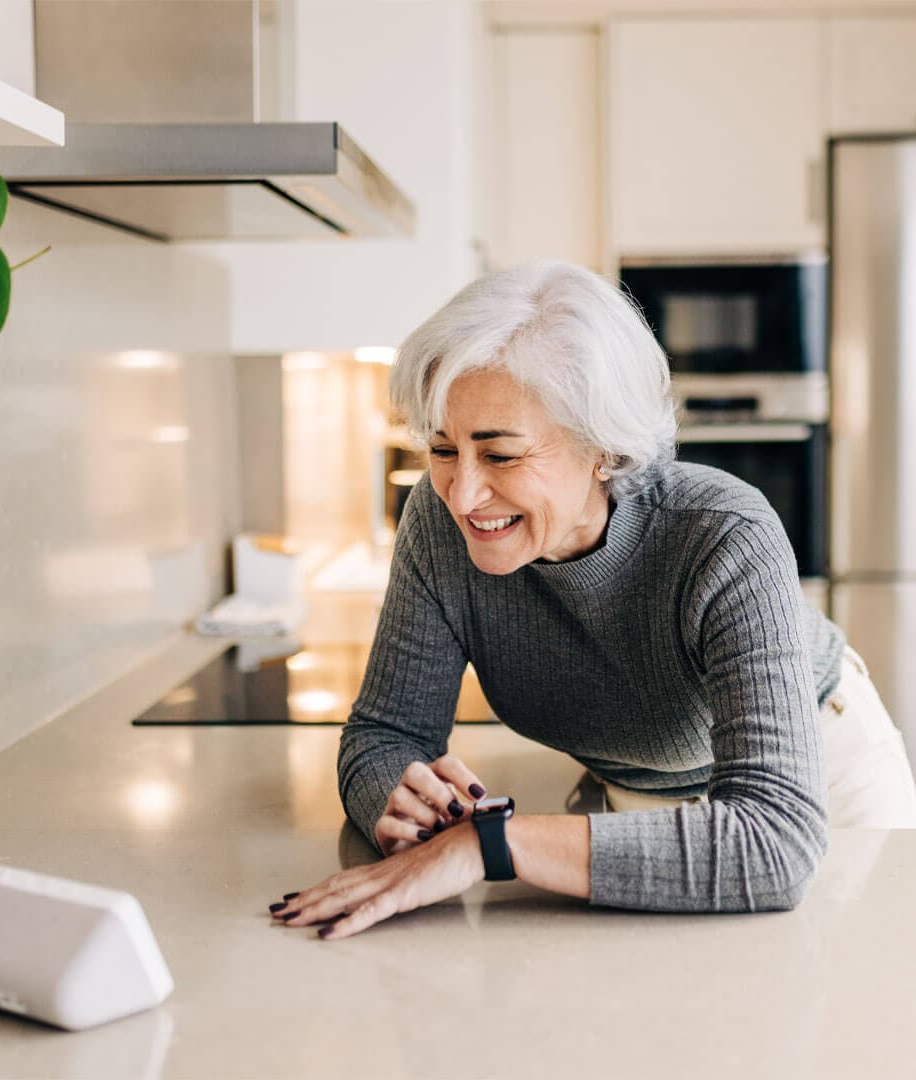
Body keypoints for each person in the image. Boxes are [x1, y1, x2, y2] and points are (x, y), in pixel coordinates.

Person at [268, 260, 916, 941]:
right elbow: (384, 735)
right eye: (441, 448)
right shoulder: (436, 526)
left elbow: (774, 844)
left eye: (501, 456)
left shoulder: (724, 536)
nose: (460, 494)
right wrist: (394, 798)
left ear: (600, 448)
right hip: (637, 798)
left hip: (825, 786)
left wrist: (487, 843)